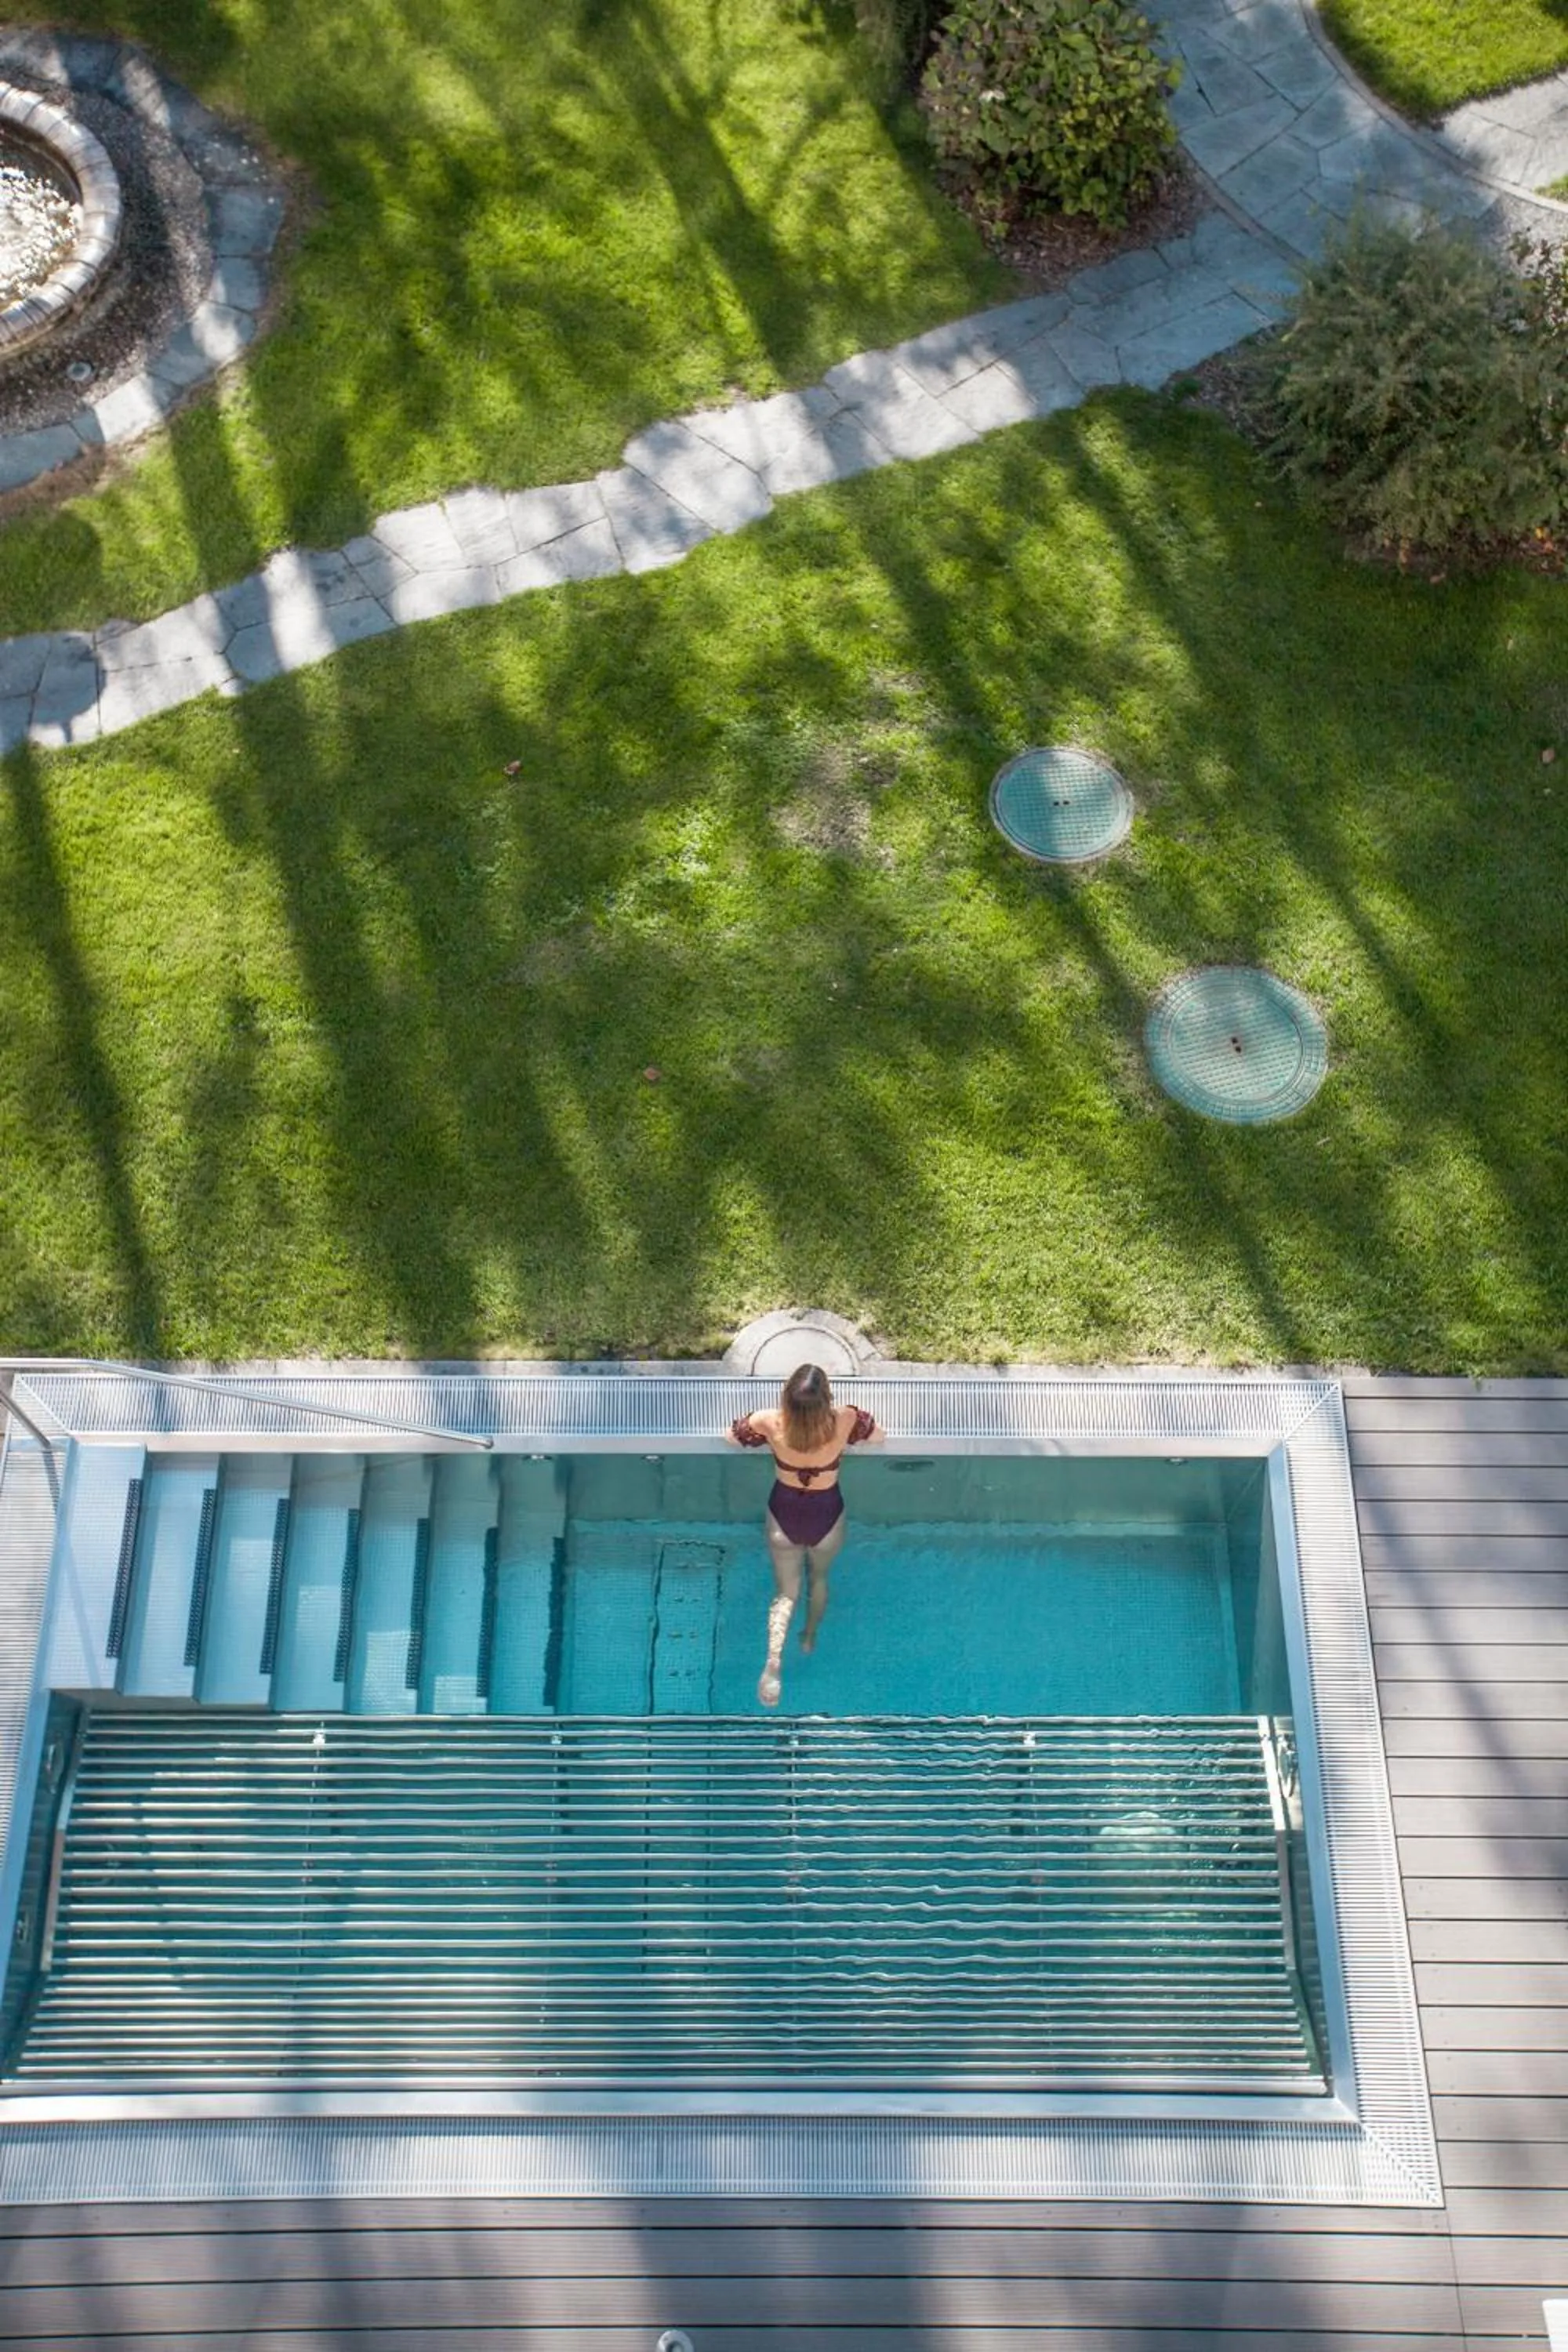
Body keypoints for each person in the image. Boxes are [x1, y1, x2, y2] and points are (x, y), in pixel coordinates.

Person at [728, 1363, 883, 1707]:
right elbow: (878, 1435)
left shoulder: (769, 1421)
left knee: (786, 1593)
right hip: (826, 1513)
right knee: (819, 1579)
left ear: (787, 1398)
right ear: (827, 1397)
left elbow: (732, 1436)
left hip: (784, 1514)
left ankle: (773, 1661)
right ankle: (810, 1635)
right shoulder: (844, 1419)